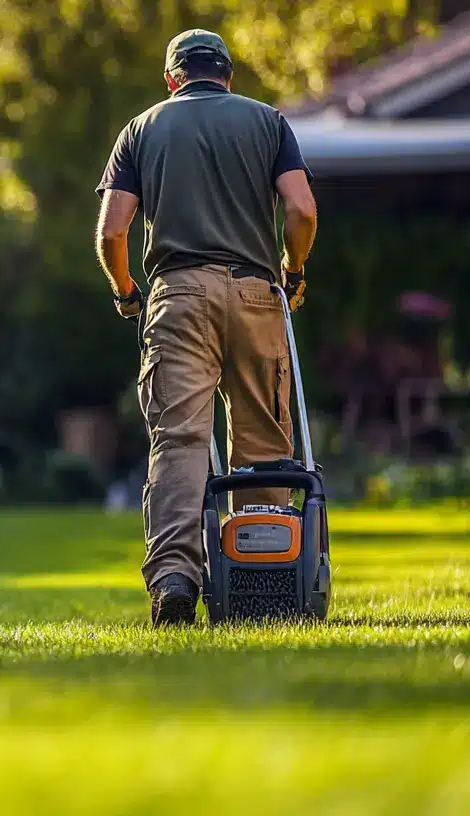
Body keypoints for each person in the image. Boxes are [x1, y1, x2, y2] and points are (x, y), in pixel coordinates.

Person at [94, 29, 319, 626]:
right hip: (255, 291)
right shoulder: (268, 122)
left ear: (172, 78)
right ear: (228, 75)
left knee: (180, 440)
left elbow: (113, 231)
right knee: (264, 443)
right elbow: (301, 209)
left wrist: (125, 291)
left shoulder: (141, 129)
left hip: (178, 296)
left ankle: (174, 580)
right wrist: (293, 269)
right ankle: (266, 580)